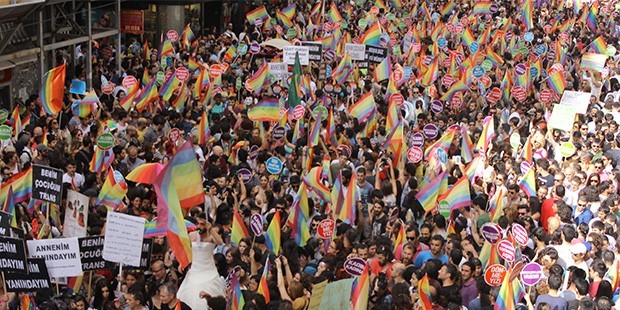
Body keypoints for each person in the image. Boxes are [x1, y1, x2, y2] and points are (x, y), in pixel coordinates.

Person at [176, 213, 226, 309]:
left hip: (209, 271)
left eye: (202, 224)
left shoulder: (211, 236)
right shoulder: (191, 235)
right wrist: (182, 263)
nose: (199, 226)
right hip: (194, 270)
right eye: (197, 223)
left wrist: (211, 229)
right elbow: (187, 250)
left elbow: (220, 242)